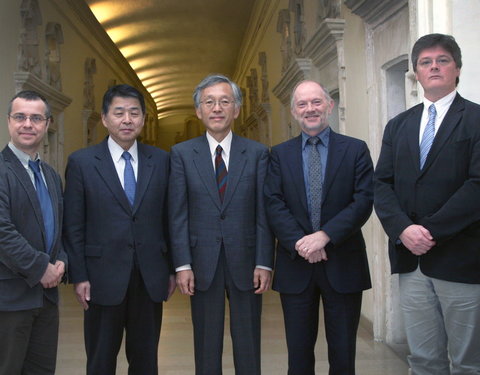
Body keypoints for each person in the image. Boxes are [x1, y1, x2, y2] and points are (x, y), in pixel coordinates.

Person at [374, 33, 480, 374]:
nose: (433, 66)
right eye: (425, 62)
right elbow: (382, 184)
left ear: (457, 69)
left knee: (468, 361)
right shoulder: (398, 126)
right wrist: (403, 229)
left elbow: (477, 185)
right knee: (423, 360)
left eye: (442, 60)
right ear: (416, 74)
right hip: (411, 262)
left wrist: (429, 231)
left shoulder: (476, 119)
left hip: (462, 260)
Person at [63, 84, 175, 375]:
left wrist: (172, 269)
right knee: (100, 360)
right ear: (104, 118)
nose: (127, 119)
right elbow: (74, 224)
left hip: (150, 277)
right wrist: (80, 275)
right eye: (119, 112)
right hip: (101, 278)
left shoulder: (161, 161)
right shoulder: (82, 162)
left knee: (146, 360)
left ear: (143, 119)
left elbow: (170, 218)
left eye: (134, 113)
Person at [264, 80, 373, 375]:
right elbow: (273, 203)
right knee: (298, 356)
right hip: (295, 265)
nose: (310, 109)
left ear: (329, 105)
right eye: (302, 104)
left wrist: (324, 237)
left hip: (343, 262)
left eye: (316, 102)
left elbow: (363, 201)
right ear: (293, 112)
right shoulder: (279, 154)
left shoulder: (356, 150)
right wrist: (302, 242)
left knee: (343, 354)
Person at [168, 74, 274, 375]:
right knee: (205, 343)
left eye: (225, 101)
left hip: (247, 260)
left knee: (249, 343)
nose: (217, 108)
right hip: (201, 263)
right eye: (209, 102)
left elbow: (263, 213)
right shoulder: (181, 155)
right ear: (199, 111)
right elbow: (177, 213)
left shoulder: (257, 154)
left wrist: (264, 262)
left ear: (237, 110)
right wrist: (182, 264)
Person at [0, 90, 67, 374]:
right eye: (20, 117)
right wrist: (41, 267)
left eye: (36, 118)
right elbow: (3, 233)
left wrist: (62, 259)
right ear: (8, 122)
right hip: (11, 297)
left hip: (46, 299)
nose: (28, 124)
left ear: (48, 124)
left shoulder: (50, 175)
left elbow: (57, 226)